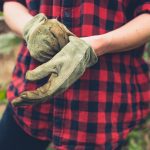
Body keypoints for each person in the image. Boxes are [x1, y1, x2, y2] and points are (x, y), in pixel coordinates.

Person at [0, 0, 150, 150]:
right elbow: (12, 3)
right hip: (31, 96)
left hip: (99, 101)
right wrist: (31, 27)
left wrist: (98, 45)